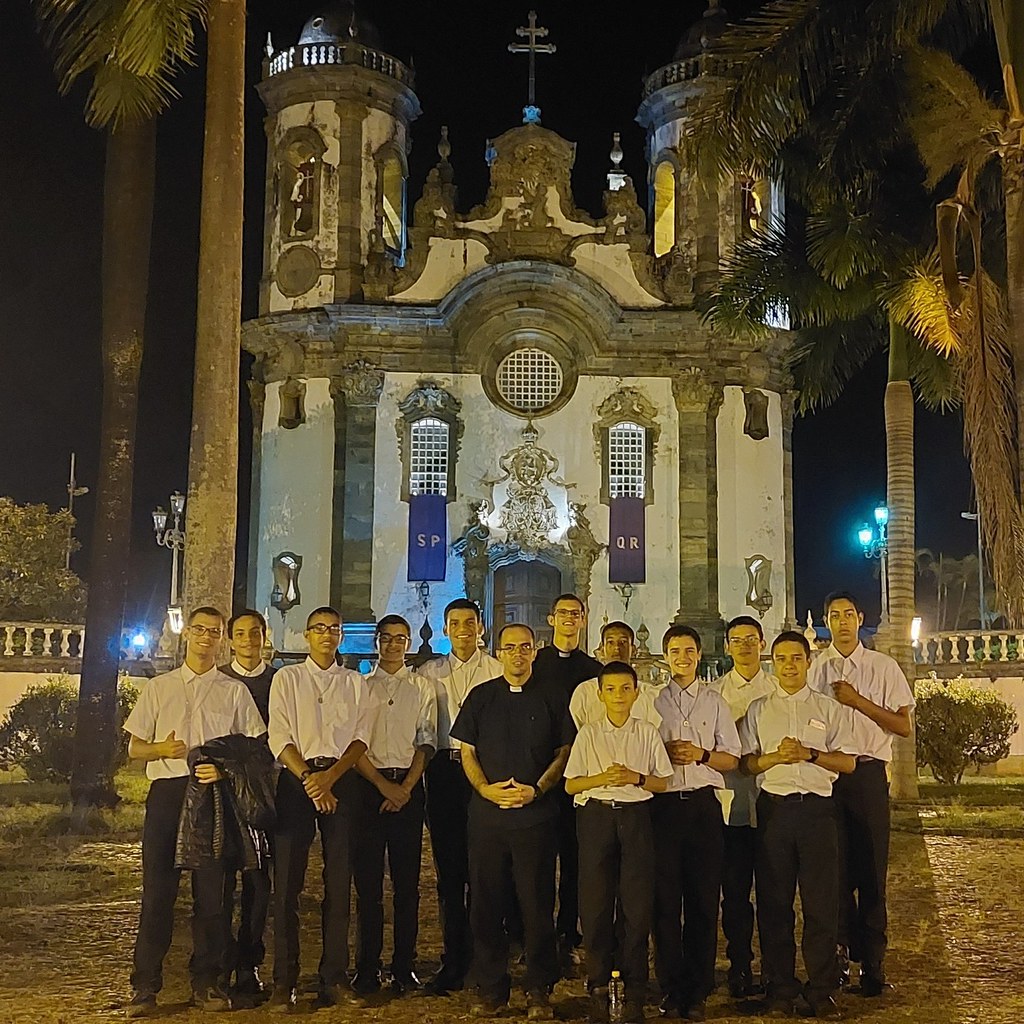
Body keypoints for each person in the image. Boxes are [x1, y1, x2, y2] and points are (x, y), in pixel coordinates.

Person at [124, 606, 266, 1018]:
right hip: (168, 793)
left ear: (222, 638)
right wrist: (160, 750)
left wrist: (223, 767)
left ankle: (208, 981)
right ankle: (145, 985)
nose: (207, 638)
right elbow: (133, 748)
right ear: (187, 633)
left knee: (213, 896)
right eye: (200, 630)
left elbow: (255, 748)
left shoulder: (233, 691)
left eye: (215, 632)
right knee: (158, 894)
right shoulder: (160, 688)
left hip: (212, 795)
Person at [450, 623, 575, 1020]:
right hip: (487, 818)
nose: (517, 654)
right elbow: (466, 750)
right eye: (510, 648)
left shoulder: (553, 698)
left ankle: (539, 989)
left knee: (537, 904)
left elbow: (564, 751)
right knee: (485, 904)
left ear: (535, 651)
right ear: (499, 652)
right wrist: (485, 790)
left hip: (536, 818)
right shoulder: (481, 696)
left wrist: (537, 790)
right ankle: (491, 988)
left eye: (525, 647)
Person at [739, 631, 857, 1019]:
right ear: (772, 663)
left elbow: (848, 762)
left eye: (797, 658)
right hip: (775, 811)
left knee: (821, 904)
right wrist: (773, 758)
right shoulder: (759, 710)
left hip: (818, 813)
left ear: (809, 661)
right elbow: (746, 763)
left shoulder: (828, 709)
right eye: (782, 658)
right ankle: (780, 988)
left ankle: (821, 990)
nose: (789, 665)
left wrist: (811, 754)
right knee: (774, 905)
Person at [266, 606, 374, 1012]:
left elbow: (362, 739)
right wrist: (311, 780)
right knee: (288, 884)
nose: (327, 635)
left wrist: (329, 780)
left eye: (334, 629)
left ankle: (334, 977)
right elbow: (279, 735)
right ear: (306, 635)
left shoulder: (355, 682)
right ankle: (284, 981)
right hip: (297, 781)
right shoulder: (287, 678)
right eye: (319, 628)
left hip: (341, 781)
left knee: (339, 882)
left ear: (341, 635)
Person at [807, 591, 914, 996]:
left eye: (849, 614)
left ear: (860, 618)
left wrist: (857, 701)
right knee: (832, 876)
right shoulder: (817, 670)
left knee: (871, 873)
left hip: (868, 777)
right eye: (835, 615)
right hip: (829, 778)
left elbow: (902, 727)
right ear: (826, 621)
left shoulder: (883, 668)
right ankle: (837, 960)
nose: (843, 622)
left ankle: (873, 964)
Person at [564, 661, 673, 1024]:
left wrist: (635, 777)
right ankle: (598, 980)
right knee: (595, 901)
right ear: (600, 694)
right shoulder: (590, 734)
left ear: (636, 692)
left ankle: (635, 985)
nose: (618, 696)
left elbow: (663, 782)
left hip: (636, 817)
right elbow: (571, 784)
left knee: (636, 903)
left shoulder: (646, 732)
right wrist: (602, 778)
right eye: (610, 689)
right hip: (597, 815)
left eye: (625, 688)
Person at [651, 625, 741, 1023]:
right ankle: (671, 987)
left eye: (689, 650)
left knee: (704, 901)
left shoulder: (715, 702)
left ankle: (699, 988)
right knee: (665, 903)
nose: (682, 657)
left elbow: (732, 759)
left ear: (699, 654)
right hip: (664, 808)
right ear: (664, 655)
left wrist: (702, 754)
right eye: (674, 650)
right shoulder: (652, 703)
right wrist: (664, 753)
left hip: (704, 808)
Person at [419, 598, 503, 995]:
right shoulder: (428, 674)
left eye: (470, 622)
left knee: (486, 870)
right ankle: (454, 960)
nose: (464, 629)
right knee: (450, 872)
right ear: (446, 629)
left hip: (486, 771)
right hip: (443, 772)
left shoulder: (497, 671)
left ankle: (489, 960)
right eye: (455, 623)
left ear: (480, 626)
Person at [352, 615, 437, 996]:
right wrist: (383, 785)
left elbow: (426, 741)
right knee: (368, 884)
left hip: (407, 784)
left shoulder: (422, 687)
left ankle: (404, 965)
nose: (392, 645)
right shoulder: (359, 687)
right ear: (377, 641)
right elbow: (353, 743)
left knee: (407, 885)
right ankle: (366, 967)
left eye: (400, 639)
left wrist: (404, 787)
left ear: (408, 644)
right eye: (386, 639)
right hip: (369, 786)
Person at [531, 593, 603, 964]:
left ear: (583, 620)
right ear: (551, 618)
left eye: (576, 614)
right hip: (540, 774)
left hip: (578, 773)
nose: (569, 620)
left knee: (575, 861)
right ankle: (535, 933)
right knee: (537, 860)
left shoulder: (593, 669)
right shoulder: (535, 663)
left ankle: (568, 932)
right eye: (563, 614)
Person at [712, 616, 775, 998]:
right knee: (734, 894)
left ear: (762, 643)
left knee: (774, 894)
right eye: (737, 640)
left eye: (751, 639)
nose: (745, 646)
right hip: (732, 808)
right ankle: (739, 965)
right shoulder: (715, 694)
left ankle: (773, 968)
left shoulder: (779, 688)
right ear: (727, 646)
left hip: (772, 805)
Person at [218, 609, 277, 1005]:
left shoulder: (279, 680)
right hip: (222, 789)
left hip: (268, 787)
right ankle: (219, 960)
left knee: (260, 880)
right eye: (241, 633)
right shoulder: (219, 679)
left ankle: (249, 961)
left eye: (256, 632)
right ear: (231, 638)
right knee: (219, 879)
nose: (249, 639)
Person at [570, 622, 664, 729]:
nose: (617, 648)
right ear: (602, 649)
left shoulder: (648, 694)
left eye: (623, 642)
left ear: (633, 650)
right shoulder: (585, 692)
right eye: (610, 642)